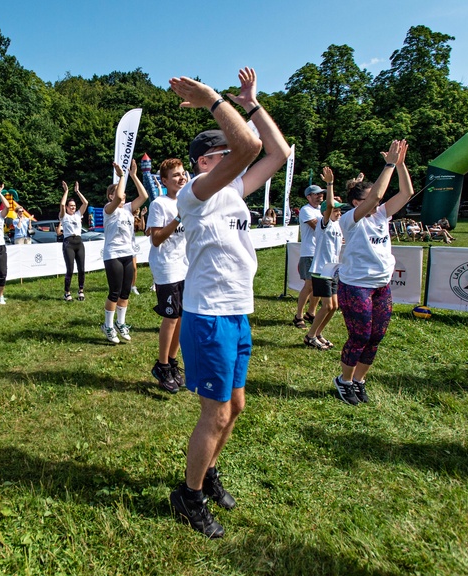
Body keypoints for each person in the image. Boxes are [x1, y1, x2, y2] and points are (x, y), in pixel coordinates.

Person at [168, 67, 290, 538]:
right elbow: (251, 148)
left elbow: (276, 152)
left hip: (237, 310)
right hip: (209, 315)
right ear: (206, 161)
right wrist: (216, 100)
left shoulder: (234, 193)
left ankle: (209, 469)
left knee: (235, 408)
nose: (233, 158)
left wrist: (251, 102)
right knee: (215, 411)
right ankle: (189, 495)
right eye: (223, 153)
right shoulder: (193, 196)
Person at [333, 139, 412, 406]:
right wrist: (388, 164)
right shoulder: (350, 219)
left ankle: (359, 380)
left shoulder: (381, 216)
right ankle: (344, 381)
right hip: (355, 284)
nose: (377, 205)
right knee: (360, 336)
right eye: (369, 201)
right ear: (357, 202)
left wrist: (400, 166)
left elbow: (406, 193)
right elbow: (378, 195)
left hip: (381, 284)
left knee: (376, 336)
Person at [146, 158, 189, 393]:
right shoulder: (159, 204)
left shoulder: (188, 201)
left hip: (184, 266)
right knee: (171, 317)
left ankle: (172, 363)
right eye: (175, 175)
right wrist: (179, 217)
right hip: (166, 267)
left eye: (183, 173)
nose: (181, 177)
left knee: (182, 318)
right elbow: (156, 238)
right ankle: (161, 366)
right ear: (164, 181)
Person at [100, 159, 148, 344]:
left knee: (125, 292)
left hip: (128, 253)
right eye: (118, 193)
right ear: (110, 196)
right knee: (115, 291)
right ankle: (108, 325)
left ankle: (121, 323)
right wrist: (121, 176)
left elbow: (143, 196)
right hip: (113, 254)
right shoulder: (109, 209)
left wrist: (134, 176)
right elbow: (119, 197)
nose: (123, 197)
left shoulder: (128, 209)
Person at [304, 167, 343, 350]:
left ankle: (318, 332)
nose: (339, 213)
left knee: (334, 306)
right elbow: (328, 205)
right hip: (321, 270)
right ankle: (310, 335)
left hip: (332, 269)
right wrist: (330, 184)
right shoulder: (323, 223)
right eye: (336, 210)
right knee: (327, 305)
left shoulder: (337, 226)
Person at [294, 184, 324, 328]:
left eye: (321, 194)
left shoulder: (321, 210)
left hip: (321, 253)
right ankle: (298, 315)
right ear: (309, 197)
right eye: (316, 194)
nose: (320, 196)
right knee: (309, 285)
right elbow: (318, 226)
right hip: (309, 252)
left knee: (318, 285)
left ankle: (311, 313)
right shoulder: (306, 210)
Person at [59, 180, 89, 301]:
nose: (73, 208)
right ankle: (67, 292)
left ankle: (81, 290)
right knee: (70, 269)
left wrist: (77, 192)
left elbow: (85, 203)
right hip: (68, 243)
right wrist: (66, 191)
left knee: (81, 269)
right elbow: (61, 205)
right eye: (70, 206)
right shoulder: (63, 215)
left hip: (79, 242)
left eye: (74, 206)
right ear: (67, 207)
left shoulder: (77, 215)